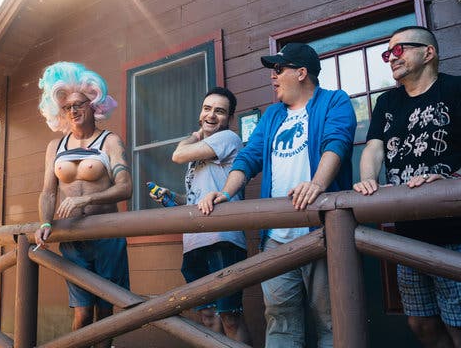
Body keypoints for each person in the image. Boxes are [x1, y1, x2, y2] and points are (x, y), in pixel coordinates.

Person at [199, 43, 357, 347]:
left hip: (323, 232)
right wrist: (226, 192)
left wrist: (317, 183)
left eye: (278, 70)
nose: (272, 77)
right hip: (276, 240)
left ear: (301, 73)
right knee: (281, 321)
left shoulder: (335, 101)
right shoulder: (272, 115)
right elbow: (248, 158)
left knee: (331, 320)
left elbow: (336, 143)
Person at [353, 25, 461, 348]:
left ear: (428, 53)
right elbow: (374, 147)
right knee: (420, 322)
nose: (391, 58)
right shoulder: (387, 102)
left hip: (454, 233)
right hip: (408, 236)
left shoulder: (455, 90)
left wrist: (451, 179)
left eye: (399, 50)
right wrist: (368, 177)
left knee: (458, 324)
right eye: (388, 53)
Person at [33, 62, 132, 348]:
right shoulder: (56, 146)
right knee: (81, 312)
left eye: (80, 104)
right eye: (66, 107)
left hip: (106, 237)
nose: (73, 111)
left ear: (95, 104)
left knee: (105, 310)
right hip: (73, 240)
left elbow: (125, 187)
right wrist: (45, 222)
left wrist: (86, 198)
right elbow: (48, 192)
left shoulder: (109, 141)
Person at [149, 87, 252, 343]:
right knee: (208, 318)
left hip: (222, 240)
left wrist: (193, 136)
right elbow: (196, 199)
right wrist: (172, 198)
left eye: (220, 111)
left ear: (229, 118)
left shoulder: (227, 138)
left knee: (230, 317)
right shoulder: (200, 157)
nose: (211, 115)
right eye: (207, 108)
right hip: (194, 243)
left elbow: (177, 154)